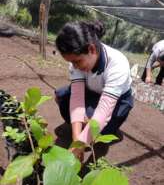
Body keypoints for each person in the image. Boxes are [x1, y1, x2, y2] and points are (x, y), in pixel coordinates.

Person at [54, 21, 133, 162]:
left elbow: (104, 110)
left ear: (92, 49)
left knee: (99, 127)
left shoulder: (118, 64)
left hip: (117, 101)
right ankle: (84, 129)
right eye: (71, 62)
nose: (74, 67)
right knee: (61, 96)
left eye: (77, 62)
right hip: (91, 91)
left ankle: (111, 129)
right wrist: (77, 141)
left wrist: (78, 146)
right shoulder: (76, 61)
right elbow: (77, 99)